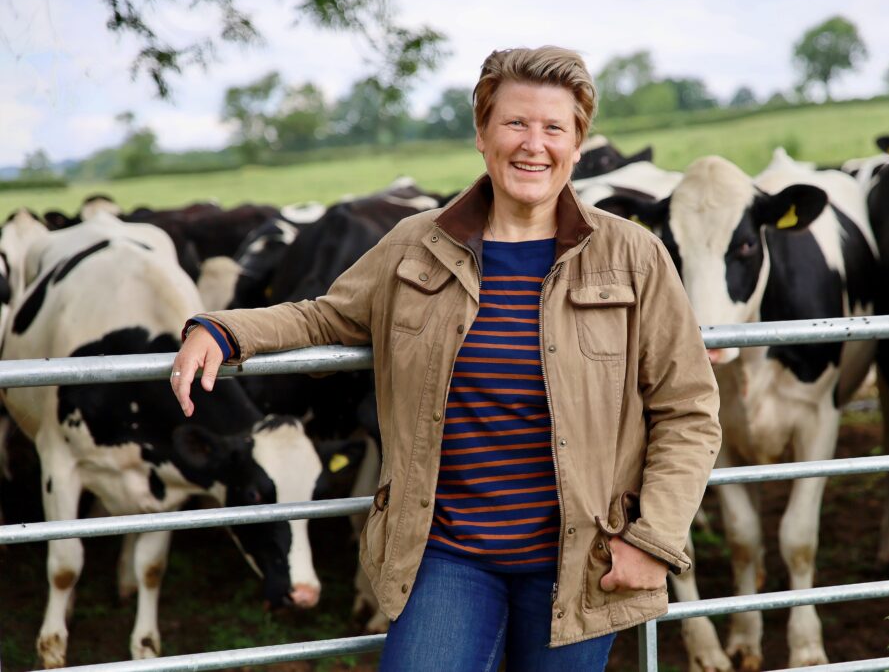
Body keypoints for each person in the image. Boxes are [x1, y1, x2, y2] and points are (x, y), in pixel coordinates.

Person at [170, 45, 721, 672]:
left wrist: (653, 540)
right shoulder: (417, 245)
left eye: (553, 128)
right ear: (482, 135)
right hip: (447, 553)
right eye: (514, 123)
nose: (532, 144)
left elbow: (689, 410)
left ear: (577, 141)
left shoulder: (633, 257)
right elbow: (326, 315)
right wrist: (222, 329)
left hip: (580, 558)